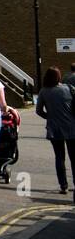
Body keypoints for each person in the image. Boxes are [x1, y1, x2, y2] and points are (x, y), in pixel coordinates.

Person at [36, 67, 75, 199]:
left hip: (54, 128)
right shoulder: (69, 88)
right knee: (74, 158)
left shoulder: (43, 91)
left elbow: (39, 110)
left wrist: (50, 117)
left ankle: (63, 186)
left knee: (59, 157)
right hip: (71, 127)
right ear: (59, 77)